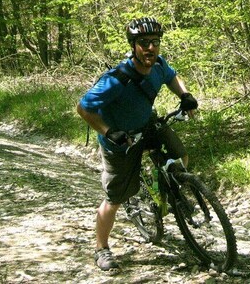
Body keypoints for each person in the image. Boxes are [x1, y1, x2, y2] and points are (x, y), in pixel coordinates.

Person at [77, 17, 199, 271]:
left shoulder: (158, 66)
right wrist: (109, 132)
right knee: (116, 198)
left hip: (147, 125)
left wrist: (185, 95)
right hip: (120, 139)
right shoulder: (116, 79)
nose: (150, 48)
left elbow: (172, 76)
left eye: (155, 42)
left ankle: (166, 194)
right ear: (133, 46)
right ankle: (101, 249)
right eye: (144, 43)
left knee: (180, 158)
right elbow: (83, 107)